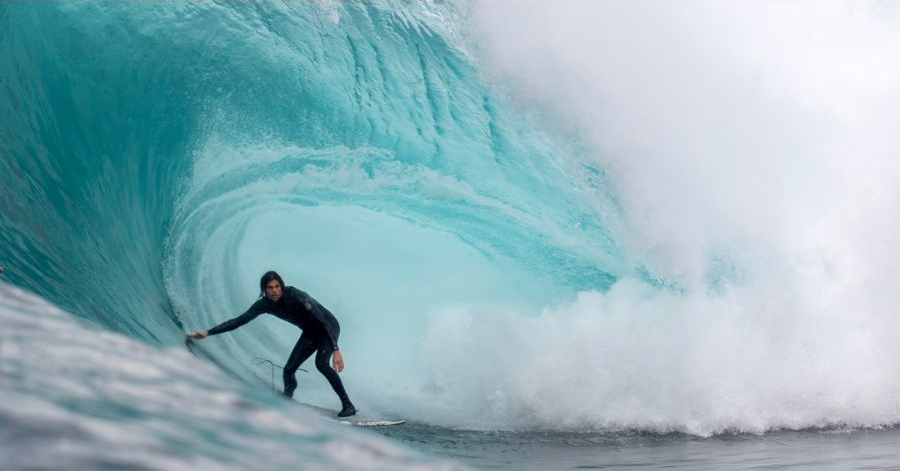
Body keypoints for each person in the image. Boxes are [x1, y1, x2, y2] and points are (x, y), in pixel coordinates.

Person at [187, 271, 357, 417]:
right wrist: (208, 332)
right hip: (311, 332)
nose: (275, 291)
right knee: (289, 370)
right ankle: (287, 397)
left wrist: (336, 349)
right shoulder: (264, 305)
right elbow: (239, 321)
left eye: (277, 286)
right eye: (270, 288)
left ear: (281, 286)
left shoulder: (296, 296)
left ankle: (348, 405)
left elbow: (321, 319)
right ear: (264, 289)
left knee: (321, 364)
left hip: (328, 326)